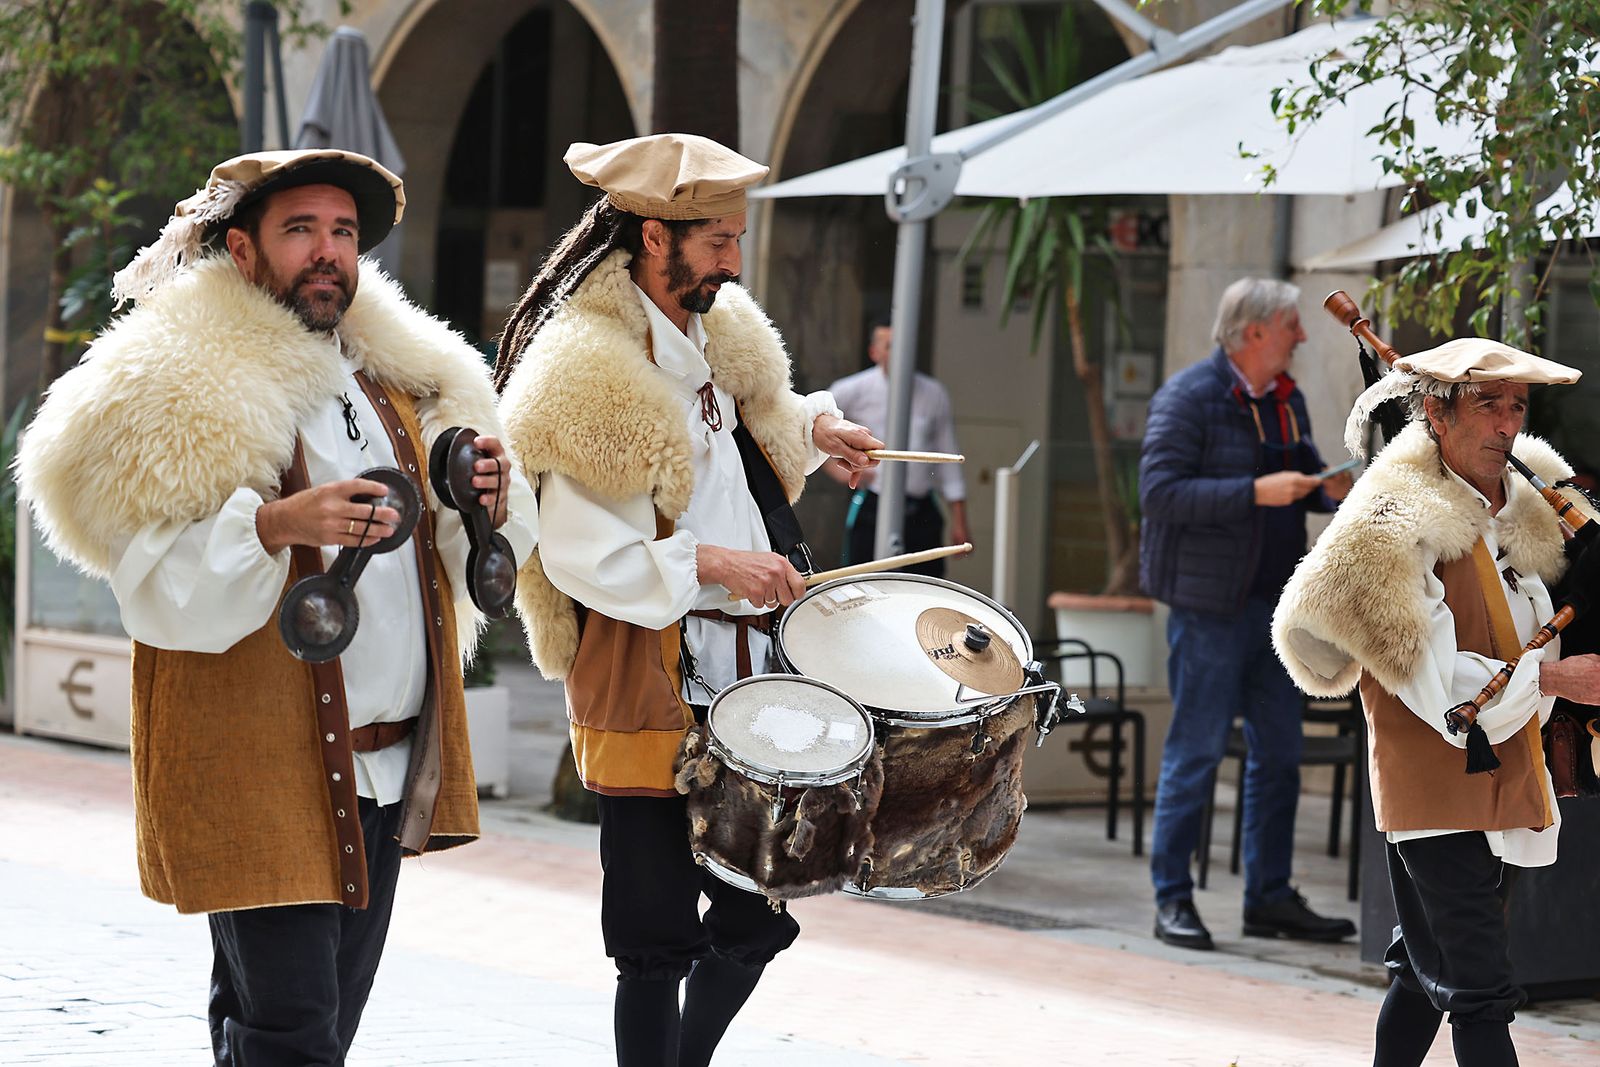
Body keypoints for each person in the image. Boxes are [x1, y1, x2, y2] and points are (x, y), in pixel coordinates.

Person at [16, 149, 538, 1066]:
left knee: (301, 1025)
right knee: (295, 1035)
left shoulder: (390, 385)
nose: (328, 251)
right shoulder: (189, 386)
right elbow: (153, 580)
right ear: (245, 253)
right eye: (300, 230)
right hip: (262, 766)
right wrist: (270, 524)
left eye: (342, 232)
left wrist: (477, 494)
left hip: (383, 766)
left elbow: (461, 562)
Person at [493, 132, 882, 1067]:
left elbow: (749, 438)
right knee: (652, 944)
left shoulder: (718, 332)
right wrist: (718, 564)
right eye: (717, 240)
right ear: (654, 237)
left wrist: (818, 430)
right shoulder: (587, 370)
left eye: (736, 239)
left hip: (746, 671)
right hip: (645, 675)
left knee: (755, 914)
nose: (734, 261)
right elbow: (585, 555)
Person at [1273, 339, 1600, 1067]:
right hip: (1434, 781)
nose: (1506, 424)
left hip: (1503, 771)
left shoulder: (1517, 511)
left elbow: (1525, 627)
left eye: (1517, 406)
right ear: (1435, 414)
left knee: (1421, 975)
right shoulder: (1390, 525)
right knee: (1480, 989)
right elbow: (1432, 681)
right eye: (1487, 404)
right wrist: (1554, 680)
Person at [1138, 277, 1357, 951]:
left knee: (1281, 756)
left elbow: (1302, 479)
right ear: (1254, 332)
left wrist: (1331, 487)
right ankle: (1171, 896)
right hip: (1209, 610)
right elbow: (1160, 492)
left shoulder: (1286, 400)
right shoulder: (1189, 395)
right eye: (1292, 324)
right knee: (1196, 752)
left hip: (1278, 611)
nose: (1302, 334)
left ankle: (1269, 896)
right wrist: (1252, 492)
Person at [825, 321, 969, 573]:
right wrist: (838, 470)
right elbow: (813, 427)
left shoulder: (933, 393)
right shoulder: (852, 389)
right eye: (890, 346)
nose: (898, 352)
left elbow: (949, 461)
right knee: (865, 585)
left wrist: (959, 520)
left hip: (921, 506)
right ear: (875, 353)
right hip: (874, 505)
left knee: (927, 586)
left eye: (903, 345)